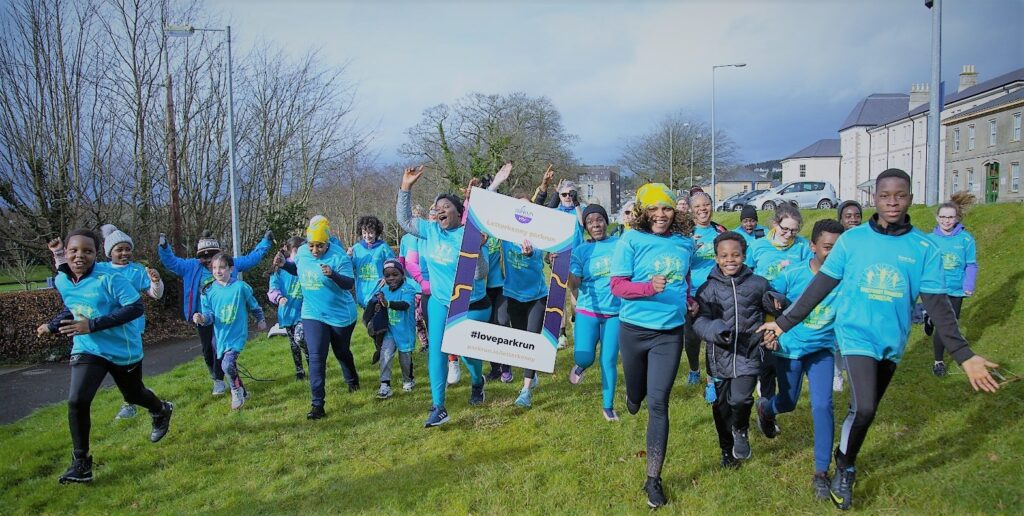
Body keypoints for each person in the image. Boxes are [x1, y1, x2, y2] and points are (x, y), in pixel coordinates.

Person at [759, 168, 1000, 511]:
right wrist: (782, 324)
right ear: (875, 198)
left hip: (892, 341)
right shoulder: (852, 241)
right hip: (855, 335)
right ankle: (845, 471)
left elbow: (939, 307)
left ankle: (844, 459)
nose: (892, 202)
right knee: (867, 406)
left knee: (863, 411)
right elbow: (819, 287)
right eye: (885, 195)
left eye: (900, 196)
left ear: (910, 199)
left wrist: (964, 354)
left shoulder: (923, 247)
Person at [37, 229, 173, 484]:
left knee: (133, 395)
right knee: (77, 400)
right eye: (74, 251)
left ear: (96, 254)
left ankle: (161, 410)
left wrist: (92, 325)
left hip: (123, 348)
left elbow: (135, 308)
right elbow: (72, 305)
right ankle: (81, 463)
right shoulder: (62, 281)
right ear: (66, 253)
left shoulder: (109, 277)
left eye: (87, 251)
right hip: (88, 348)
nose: (80, 256)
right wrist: (54, 325)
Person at [609, 183, 694, 508]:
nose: (661, 215)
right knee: (637, 395)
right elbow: (617, 286)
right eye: (654, 209)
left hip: (669, 333)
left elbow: (684, 279)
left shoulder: (683, 243)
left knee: (659, 403)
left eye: (667, 208)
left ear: (675, 211)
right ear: (643, 211)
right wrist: (648, 288)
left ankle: (653, 479)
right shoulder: (630, 240)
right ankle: (632, 398)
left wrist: (689, 301)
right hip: (633, 330)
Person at [397, 165, 492, 428]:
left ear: (458, 213)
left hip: (467, 303)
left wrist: (478, 248)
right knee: (437, 352)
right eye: (437, 206)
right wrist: (406, 187)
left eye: (446, 206)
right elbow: (404, 221)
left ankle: (477, 380)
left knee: (466, 353)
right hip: (439, 302)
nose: (439, 209)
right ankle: (439, 406)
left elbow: (481, 274)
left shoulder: (468, 235)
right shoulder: (430, 231)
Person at [757, 219, 845, 499]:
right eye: (827, 247)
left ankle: (821, 472)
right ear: (813, 247)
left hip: (821, 350)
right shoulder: (794, 274)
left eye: (838, 248)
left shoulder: (848, 278)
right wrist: (774, 309)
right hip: (790, 348)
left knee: (823, 405)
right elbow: (767, 297)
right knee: (788, 401)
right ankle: (766, 409)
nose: (832, 253)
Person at [48, 224, 165, 421]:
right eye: (119, 249)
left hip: (129, 329)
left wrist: (155, 281)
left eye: (128, 249)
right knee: (82, 395)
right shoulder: (100, 269)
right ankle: (132, 402)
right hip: (95, 337)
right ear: (109, 252)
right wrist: (59, 253)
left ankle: (133, 401)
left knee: (132, 385)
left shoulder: (137, 271)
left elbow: (155, 295)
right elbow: (69, 272)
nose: (124, 253)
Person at [694, 231, 784, 469]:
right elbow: (699, 321)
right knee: (722, 406)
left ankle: (741, 430)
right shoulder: (707, 289)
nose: (730, 260)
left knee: (742, 398)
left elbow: (773, 305)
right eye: (724, 256)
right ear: (716, 258)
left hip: (749, 353)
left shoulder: (758, 283)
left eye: (735, 255)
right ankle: (727, 450)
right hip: (719, 356)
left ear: (744, 256)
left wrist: (778, 300)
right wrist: (715, 330)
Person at [157, 229, 272, 396]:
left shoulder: (227, 265)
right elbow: (171, 262)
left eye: (212, 255)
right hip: (204, 316)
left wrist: (265, 242)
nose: (210, 261)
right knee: (207, 349)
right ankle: (218, 380)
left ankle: (233, 385)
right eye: (205, 256)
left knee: (223, 350)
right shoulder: (190, 266)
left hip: (226, 318)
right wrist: (164, 247)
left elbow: (251, 259)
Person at [281, 216, 361, 420]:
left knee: (341, 352)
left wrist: (333, 274)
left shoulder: (338, 256)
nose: (315, 250)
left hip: (340, 314)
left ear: (327, 243)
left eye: (320, 246)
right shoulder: (302, 254)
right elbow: (297, 269)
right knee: (316, 356)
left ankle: (352, 379)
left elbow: (349, 284)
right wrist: (283, 264)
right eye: (311, 245)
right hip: (312, 312)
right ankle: (317, 405)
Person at [745, 204, 811, 407]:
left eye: (793, 230)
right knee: (767, 359)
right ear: (775, 224)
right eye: (785, 229)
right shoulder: (757, 247)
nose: (788, 234)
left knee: (783, 358)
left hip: (792, 310)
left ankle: (781, 400)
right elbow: (746, 276)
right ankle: (767, 404)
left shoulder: (803, 247)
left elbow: (811, 276)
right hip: (764, 310)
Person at [567, 204, 622, 421]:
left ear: (606, 222)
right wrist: (562, 270)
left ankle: (608, 406)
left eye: (599, 220)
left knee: (608, 360)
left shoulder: (620, 245)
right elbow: (574, 285)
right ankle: (581, 365)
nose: (596, 224)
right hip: (588, 310)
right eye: (590, 222)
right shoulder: (581, 251)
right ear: (586, 227)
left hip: (615, 313)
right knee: (585, 356)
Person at [193, 253, 267, 409]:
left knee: (227, 365)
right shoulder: (208, 291)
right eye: (214, 268)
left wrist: (260, 319)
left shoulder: (240, 287)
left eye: (222, 267)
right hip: (220, 336)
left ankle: (236, 391)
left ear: (231, 269)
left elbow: (253, 305)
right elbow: (210, 316)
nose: (218, 271)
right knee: (229, 365)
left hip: (237, 334)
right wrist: (201, 318)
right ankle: (244, 392)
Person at [927, 192, 978, 377]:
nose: (946, 221)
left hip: (956, 290)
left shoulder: (966, 239)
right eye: (943, 217)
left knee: (951, 324)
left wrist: (969, 284)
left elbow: (971, 264)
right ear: (937, 218)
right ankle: (938, 362)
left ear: (956, 218)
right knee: (944, 326)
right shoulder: (929, 240)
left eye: (950, 217)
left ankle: (928, 316)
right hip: (935, 289)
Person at [685, 191, 727, 390]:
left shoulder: (720, 230)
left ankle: (712, 379)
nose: (703, 209)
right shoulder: (685, 233)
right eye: (698, 206)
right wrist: (690, 248)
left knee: (714, 337)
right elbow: (680, 263)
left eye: (706, 204)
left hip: (717, 292)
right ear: (691, 210)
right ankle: (694, 369)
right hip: (692, 293)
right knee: (692, 338)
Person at [350, 215, 396, 365]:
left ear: (376, 232)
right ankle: (381, 347)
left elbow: (393, 265)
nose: (367, 236)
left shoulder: (383, 248)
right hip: (363, 294)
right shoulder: (356, 249)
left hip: (378, 292)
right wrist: (347, 257)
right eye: (364, 232)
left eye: (370, 232)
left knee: (370, 322)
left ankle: (383, 349)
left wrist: (387, 276)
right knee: (371, 325)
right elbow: (348, 269)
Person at [371, 259, 420, 397]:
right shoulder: (383, 290)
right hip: (389, 331)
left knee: (405, 358)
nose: (391, 278)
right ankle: (385, 384)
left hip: (405, 331)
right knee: (385, 355)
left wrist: (387, 303)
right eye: (387, 276)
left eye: (395, 274)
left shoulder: (408, 289)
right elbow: (374, 301)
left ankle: (408, 380)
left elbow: (405, 305)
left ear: (402, 274)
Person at [833, 200, 863, 392]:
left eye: (857, 216)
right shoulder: (837, 240)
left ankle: (857, 374)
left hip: (860, 294)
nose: (853, 219)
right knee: (836, 338)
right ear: (841, 219)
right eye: (848, 216)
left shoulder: (867, 239)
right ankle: (836, 374)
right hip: (839, 293)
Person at [269, 237, 308, 380]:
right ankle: (299, 371)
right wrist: (279, 298)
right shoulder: (279, 270)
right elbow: (272, 289)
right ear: (295, 251)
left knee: (300, 337)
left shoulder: (305, 266)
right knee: (293, 343)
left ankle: (313, 365)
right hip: (287, 312)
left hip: (304, 311)